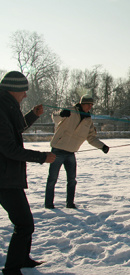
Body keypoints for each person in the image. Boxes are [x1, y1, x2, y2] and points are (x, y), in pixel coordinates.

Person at [0, 71, 56, 275]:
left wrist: (33, 115)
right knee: (24, 224)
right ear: (13, 89)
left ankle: (22, 259)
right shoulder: (1, 109)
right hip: (3, 178)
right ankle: (12, 269)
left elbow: (15, 129)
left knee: (25, 222)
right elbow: (9, 149)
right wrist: (43, 157)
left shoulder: (7, 106)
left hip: (8, 176)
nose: (25, 94)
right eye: (23, 90)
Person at [45, 94, 109, 209]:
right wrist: (61, 114)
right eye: (88, 104)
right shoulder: (70, 111)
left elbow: (91, 138)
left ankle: (70, 203)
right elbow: (55, 117)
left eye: (91, 105)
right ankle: (49, 204)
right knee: (52, 179)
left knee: (72, 180)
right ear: (82, 104)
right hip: (57, 150)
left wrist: (102, 146)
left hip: (70, 153)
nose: (90, 107)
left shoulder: (88, 120)